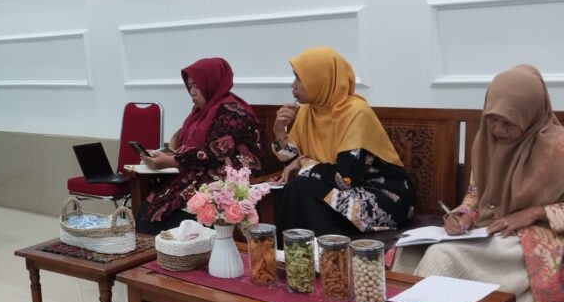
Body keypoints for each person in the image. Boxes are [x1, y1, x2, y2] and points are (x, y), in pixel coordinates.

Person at [393, 65, 564, 302]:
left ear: (531, 115)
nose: (498, 130)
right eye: (493, 119)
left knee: (442, 257)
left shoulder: (558, 148)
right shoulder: (487, 141)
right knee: (410, 249)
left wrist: (533, 213)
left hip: (536, 237)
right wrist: (462, 216)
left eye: (509, 123)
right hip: (489, 230)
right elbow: (477, 196)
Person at [272, 46, 414, 238]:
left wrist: (302, 163)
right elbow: (292, 165)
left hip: (380, 195)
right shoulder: (309, 111)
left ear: (321, 79)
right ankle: (302, 249)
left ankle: (300, 248)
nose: (293, 86)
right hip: (339, 191)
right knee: (297, 187)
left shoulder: (356, 112)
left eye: (299, 78)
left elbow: (345, 179)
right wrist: (280, 131)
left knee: (300, 187)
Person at [136, 57, 263, 234]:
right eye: (190, 86)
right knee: (148, 212)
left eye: (198, 86)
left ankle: (179, 249)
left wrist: (172, 161)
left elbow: (216, 151)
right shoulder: (200, 113)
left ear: (212, 83)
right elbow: (187, 148)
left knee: (174, 219)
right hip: (198, 173)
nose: (192, 92)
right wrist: (166, 157)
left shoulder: (232, 112)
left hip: (226, 178)